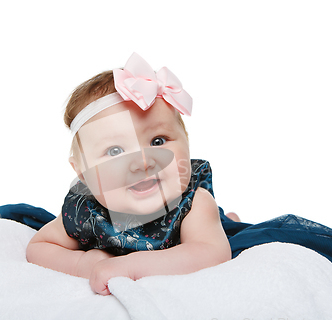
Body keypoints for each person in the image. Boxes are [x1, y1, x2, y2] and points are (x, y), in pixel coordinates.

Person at [26, 53, 232, 295]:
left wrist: (129, 267)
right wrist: (83, 264)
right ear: (83, 175)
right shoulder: (85, 210)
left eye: (158, 141)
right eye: (115, 151)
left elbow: (211, 252)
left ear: (186, 144)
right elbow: (39, 246)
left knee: (224, 227)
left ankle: (229, 219)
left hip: (202, 227)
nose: (142, 163)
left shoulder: (193, 201)